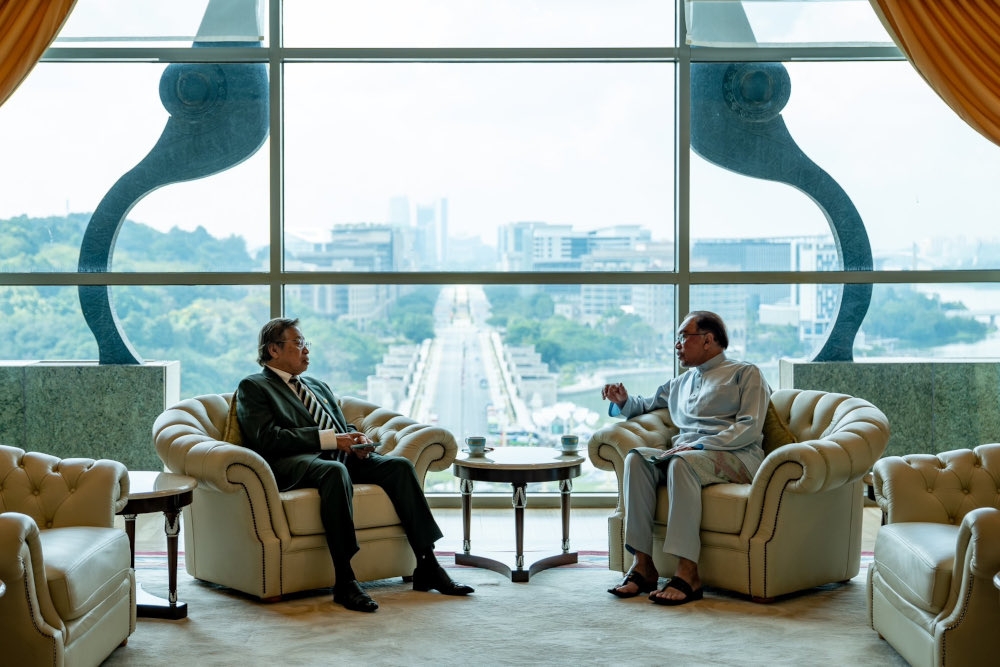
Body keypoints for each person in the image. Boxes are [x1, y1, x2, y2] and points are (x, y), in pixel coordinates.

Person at [236, 317, 474, 613]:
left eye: (305, 343)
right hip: (294, 465)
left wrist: (355, 438)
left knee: (398, 466)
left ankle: (428, 564)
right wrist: (333, 440)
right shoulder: (254, 386)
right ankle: (345, 580)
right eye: (298, 344)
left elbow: (337, 425)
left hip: (341, 457)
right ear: (273, 350)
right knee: (334, 472)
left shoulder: (316, 385)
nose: (306, 350)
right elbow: (266, 438)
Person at [602, 310, 769, 606]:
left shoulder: (745, 373)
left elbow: (749, 426)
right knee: (637, 458)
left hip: (735, 456)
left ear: (708, 340)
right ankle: (643, 566)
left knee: (681, 462)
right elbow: (643, 405)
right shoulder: (680, 383)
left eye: (683, 337)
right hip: (686, 456)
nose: (677, 345)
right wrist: (621, 402)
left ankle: (688, 573)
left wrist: (700, 446)